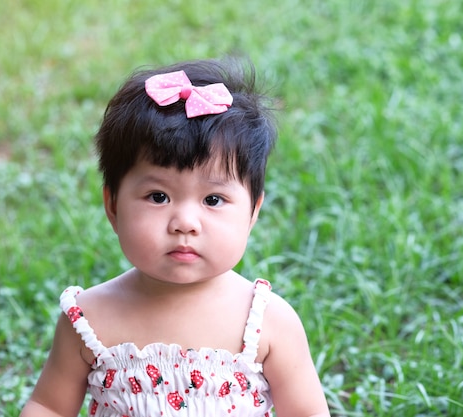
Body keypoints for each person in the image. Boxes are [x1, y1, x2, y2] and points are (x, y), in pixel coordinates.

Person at [20, 57, 331, 417]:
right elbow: (49, 406)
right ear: (113, 206)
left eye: (213, 200)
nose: (185, 223)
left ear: (253, 211)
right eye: (158, 197)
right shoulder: (89, 319)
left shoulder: (266, 322)